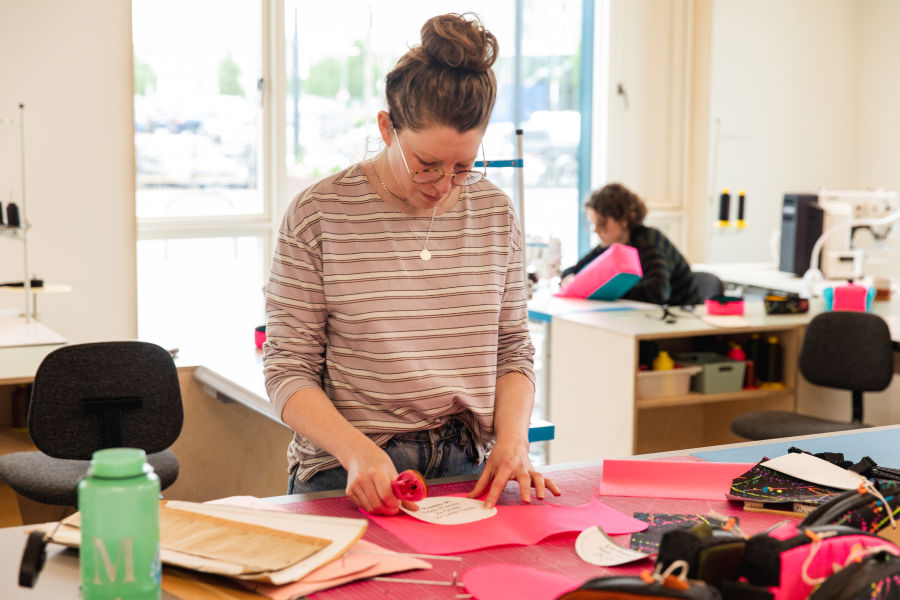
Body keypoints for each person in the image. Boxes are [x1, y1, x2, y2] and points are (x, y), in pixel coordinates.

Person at [263, 13, 559, 516]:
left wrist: (513, 442)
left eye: (463, 167)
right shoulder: (319, 214)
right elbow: (287, 369)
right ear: (387, 128)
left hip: (467, 465)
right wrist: (356, 453)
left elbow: (512, 350)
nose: (443, 184)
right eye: (427, 165)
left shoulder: (495, 213)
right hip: (350, 467)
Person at [561, 183, 700, 306]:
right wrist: (570, 279)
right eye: (593, 224)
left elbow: (658, 292)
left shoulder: (650, 241)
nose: (596, 230)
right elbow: (571, 271)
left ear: (623, 220)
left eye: (602, 224)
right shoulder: (611, 244)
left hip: (680, 317)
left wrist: (604, 290)